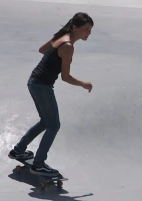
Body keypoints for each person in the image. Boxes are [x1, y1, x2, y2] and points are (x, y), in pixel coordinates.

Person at [8, 12, 94, 176]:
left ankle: (18, 151)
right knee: (54, 125)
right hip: (42, 86)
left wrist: (53, 57)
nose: (88, 33)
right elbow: (65, 77)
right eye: (85, 29)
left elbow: (42, 50)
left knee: (45, 122)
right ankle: (38, 164)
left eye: (90, 30)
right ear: (75, 27)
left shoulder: (61, 36)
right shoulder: (68, 46)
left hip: (33, 81)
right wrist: (84, 84)